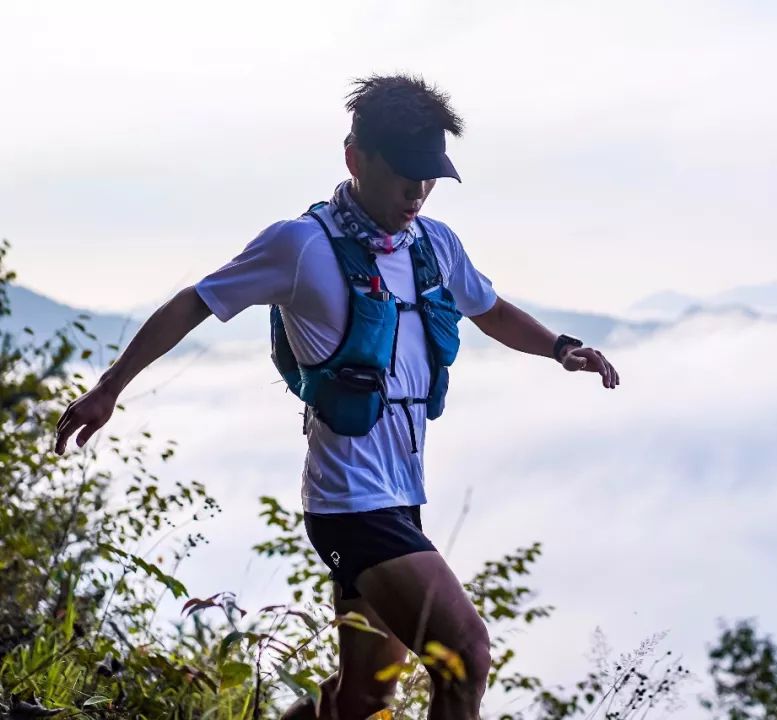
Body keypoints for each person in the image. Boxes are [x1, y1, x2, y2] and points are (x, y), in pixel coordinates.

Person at [53, 73, 620, 720]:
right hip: (349, 503)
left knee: (364, 698)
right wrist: (109, 388)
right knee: (464, 653)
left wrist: (560, 348)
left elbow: (488, 309)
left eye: (431, 175)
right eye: (405, 172)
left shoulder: (434, 246)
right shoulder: (302, 246)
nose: (419, 190)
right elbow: (195, 302)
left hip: (401, 497)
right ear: (356, 157)